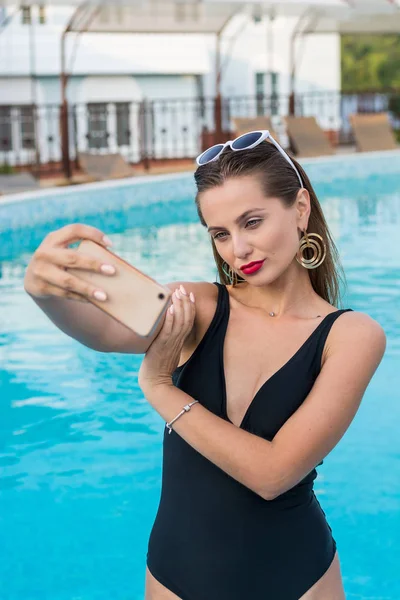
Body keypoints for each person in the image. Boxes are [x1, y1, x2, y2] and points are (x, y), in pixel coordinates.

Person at [24, 131, 386, 600]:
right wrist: (43, 292)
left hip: (298, 580)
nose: (238, 249)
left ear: (300, 209)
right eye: (220, 233)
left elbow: (274, 474)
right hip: (176, 579)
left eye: (252, 222)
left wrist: (160, 388)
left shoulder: (352, 336)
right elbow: (105, 331)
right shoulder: (199, 306)